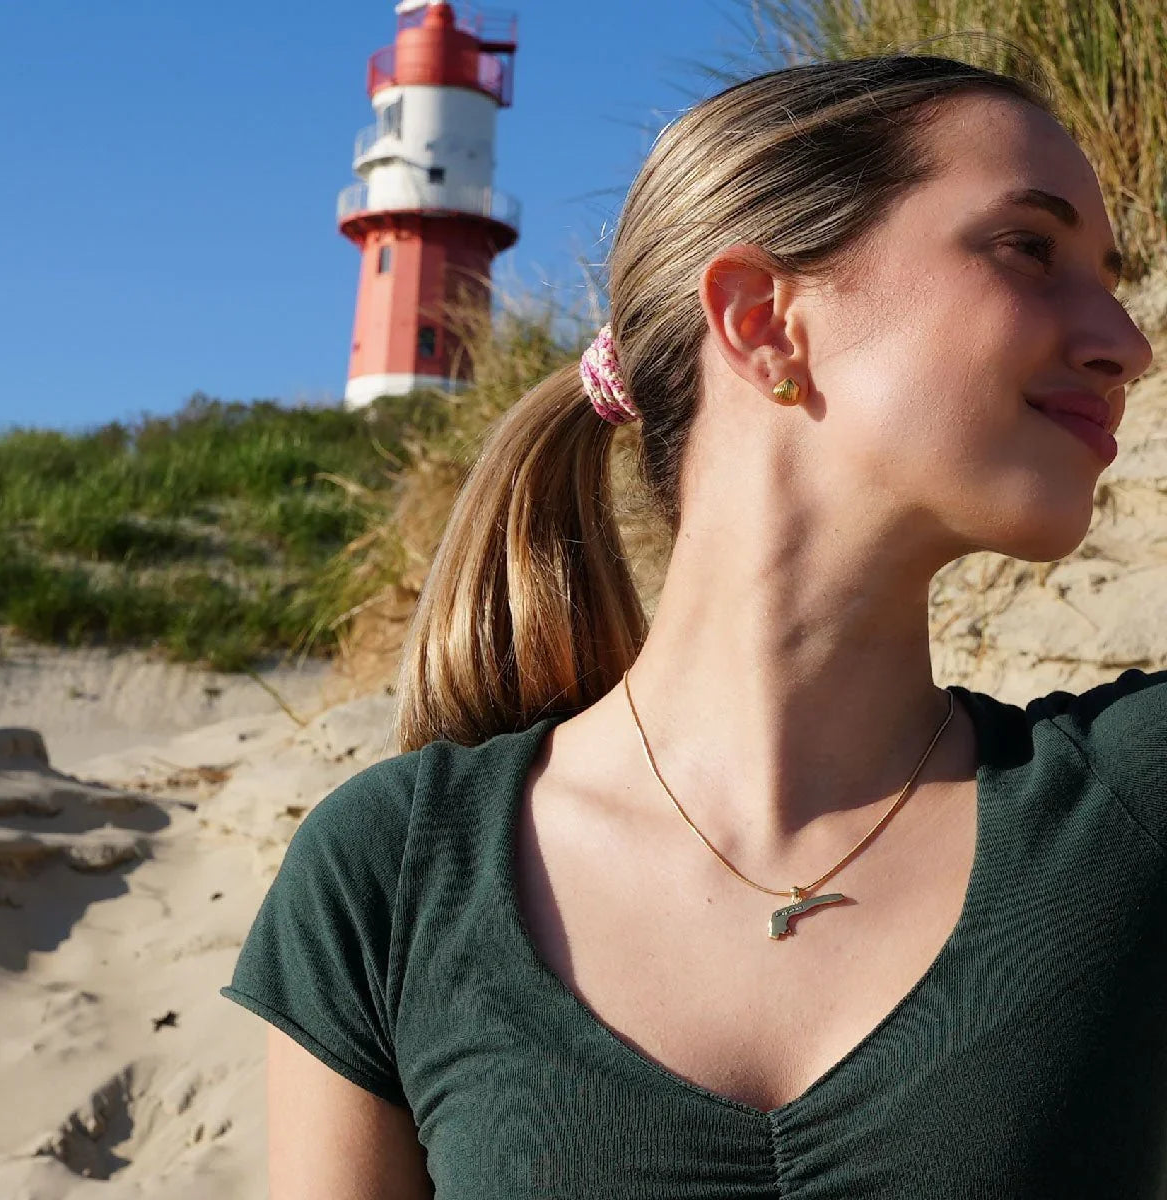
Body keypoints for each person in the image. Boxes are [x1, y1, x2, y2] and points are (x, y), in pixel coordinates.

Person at [220, 50, 1166, 1198]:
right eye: (1031, 247)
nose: (1126, 339)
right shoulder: (394, 878)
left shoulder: (1129, 804)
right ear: (764, 320)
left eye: (1113, 276)